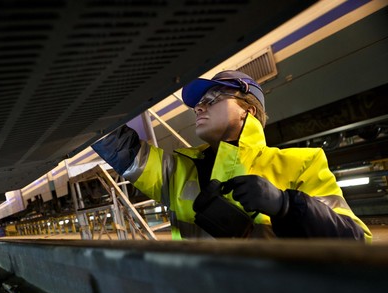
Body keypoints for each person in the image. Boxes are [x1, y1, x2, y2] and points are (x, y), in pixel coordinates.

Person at [92, 70, 372, 242]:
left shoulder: (302, 163)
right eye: (198, 104)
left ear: (247, 111)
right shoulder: (178, 171)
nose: (199, 107)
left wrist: (287, 205)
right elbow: (124, 151)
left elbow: (354, 240)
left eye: (212, 99)